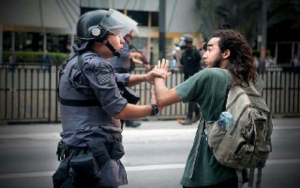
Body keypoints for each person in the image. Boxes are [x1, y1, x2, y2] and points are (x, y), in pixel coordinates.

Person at [53, 9, 166, 188]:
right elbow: (118, 109)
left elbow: (117, 79)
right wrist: (155, 107)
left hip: (81, 152)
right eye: (118, 35)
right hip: (93, 156)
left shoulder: (77, 60)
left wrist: (145, 77)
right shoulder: (96, 64)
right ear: (99, 36)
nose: (122, 40)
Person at [153, 28, 259, 187]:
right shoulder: (242, 79)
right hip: (233, 170)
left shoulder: (210, 76)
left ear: (226, 54)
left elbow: (162, 99)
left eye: (210, 49)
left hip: (207, 172)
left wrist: (159, 76)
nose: (204, 55)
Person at [109, 28, 151, 128]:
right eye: (131, 31)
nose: (133, 33)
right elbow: (124, 55)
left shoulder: (126, 43)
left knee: (125, 96)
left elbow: (130, 59)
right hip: (119, 72)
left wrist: (143, 63)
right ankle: (127, 120)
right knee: (125, 96)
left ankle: (127, 120)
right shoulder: (123, 42)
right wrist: (137, 54)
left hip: (123, 72)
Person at [177, 34, 202, 125]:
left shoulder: (195, 52)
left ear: (189, 43)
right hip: (187, 78)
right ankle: (198, 113)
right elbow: (181, 64)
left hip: (194, 77)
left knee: (191, 98)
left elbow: (199, 62)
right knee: (190, 97)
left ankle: (189, 117)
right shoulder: (184, 53)